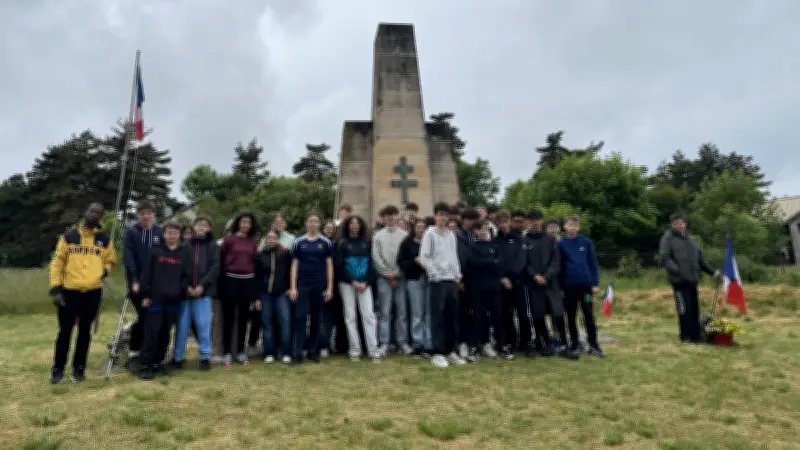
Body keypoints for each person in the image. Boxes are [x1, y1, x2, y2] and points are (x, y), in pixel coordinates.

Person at [48, 202, 116, 384]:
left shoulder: (105, 239)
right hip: (69, 292)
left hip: (92, 292)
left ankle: (79, 369)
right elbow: (57, 264)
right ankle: (58, 370)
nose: (94, 215)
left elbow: (110, 260)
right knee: (65, 332)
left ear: (101, 217)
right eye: (91, 211)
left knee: (85, 332)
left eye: (98, 213)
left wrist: (105, 270)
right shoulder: (69, 237)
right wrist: (55, 289)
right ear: (85, 212)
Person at [659, 212, 720, 343]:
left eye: (680, 223)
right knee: (684, 309)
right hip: (679, 281)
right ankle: (685, 337)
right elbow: (665, 258)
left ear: (685, 224)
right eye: (675, 224)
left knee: (694, 309)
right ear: (672, 225)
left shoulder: (692, 240)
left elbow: (701, 260)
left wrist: (714, 272)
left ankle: (696, 336)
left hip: (693, 280)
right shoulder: (667, 239)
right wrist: (677, 271)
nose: (678, 226)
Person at [137, 221, 186, 380]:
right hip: (154, 300)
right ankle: (146, 365)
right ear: (164, 234)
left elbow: (185, 277)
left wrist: (180, 292)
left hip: (173, 301)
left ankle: (158, 362)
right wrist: (146, 295)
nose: (172, 235)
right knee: (152, 333)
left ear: (179, 235)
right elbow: (145, 276)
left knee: (166, 333)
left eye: (175, 233)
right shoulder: (155, 252)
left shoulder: (183, 253)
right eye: (169, 232)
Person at [420, 202, 466, 368]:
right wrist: (435, 274)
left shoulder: (451, 235)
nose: (443, 218)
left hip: (452, 281)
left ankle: (450, 350)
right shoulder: (430, 234)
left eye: (446, 215)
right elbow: (424, 257)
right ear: (435, 216)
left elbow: (454, 257)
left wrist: (458, 275)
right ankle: (438, 353)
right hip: (437, 281)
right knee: (438, 317)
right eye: (440, 215)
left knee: (451, 316)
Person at [524, 209, 573, 359]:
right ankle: (545, 344)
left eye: (537, 219)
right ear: (528, 222)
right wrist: (534, 276)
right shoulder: (525, 240)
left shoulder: (551, 239)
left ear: (541, 221)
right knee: (538, 316)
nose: (534, 222)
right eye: (532, 219)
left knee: (558, 314)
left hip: (551, 284)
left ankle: (564, 344)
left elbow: (556, 261)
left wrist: (546, 276)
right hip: (534, 285)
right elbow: (524, 263)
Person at [172, 216, 218, 371]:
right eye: (199, 224)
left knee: (203, 326)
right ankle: (177, 357)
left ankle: (205, 357)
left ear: (209, 228)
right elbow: (179, 269)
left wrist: (202, 286)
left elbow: (215, 268)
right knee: (182, 327)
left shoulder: (213, 246)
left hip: (204, 293)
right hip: (185, 294)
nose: (201, 227)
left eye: (205, 225)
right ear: (194, 227)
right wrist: (186, 287)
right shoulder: (185, 246)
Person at [288, 213, 334, 363]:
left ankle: (313, 351)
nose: (313, 224)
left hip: (319, 284)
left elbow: (329, 265)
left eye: (316, 221)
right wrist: (293, 287)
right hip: (302, 285)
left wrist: (330, 288)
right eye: (310, 221)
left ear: (319, 224)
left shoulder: (325, 242)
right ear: (306, 223)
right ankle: (298, 352)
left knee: (316, 318)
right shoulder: (298, 242)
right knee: (300, 317)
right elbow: (294, 265)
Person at [465, 219, 512, 361]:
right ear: (475, 231)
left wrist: (488, 263)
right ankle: (474, 348)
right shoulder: (471, 247)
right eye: (480, 229)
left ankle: (503, 346)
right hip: (478, 288)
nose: (483, 232)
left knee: (498, 317)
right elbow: (473, 264)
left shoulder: (495, 246)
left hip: (494, 288)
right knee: (478, 318)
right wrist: (490, 261)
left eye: (485, 229)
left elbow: (500, 265)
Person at [335, 215, 381, 362]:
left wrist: (366, 282)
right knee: (350, 317)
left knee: (368, 316)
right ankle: (355, 350)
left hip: (365, 284)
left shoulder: (367, 242)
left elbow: (372, 264)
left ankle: (373, 350)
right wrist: (352, 281)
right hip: (347, 284)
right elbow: (339, 266)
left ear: (361, 226)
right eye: (352, 223)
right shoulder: (341, 243)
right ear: (348, 226)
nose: (355, 226)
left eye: (357, 224)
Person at [123, 200, 163, 366]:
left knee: (153, 318)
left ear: (154, 214)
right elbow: (128, 257)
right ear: (138, 214)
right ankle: (135, 348)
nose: (146, 216)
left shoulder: (160, 232)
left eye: (149, 213)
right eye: (142, 213)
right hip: (137, 284)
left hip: (156, 284)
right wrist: (134, 279)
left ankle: (152, 351)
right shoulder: (132, 232)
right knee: (144, 316)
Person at [559, 215, 604, 359]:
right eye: (570, 224)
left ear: (579, 227)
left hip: (586, 288)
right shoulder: (560, 244)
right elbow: (559, 267)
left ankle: (594, 344)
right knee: (571, 316)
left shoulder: (586, 242)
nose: (572, 227)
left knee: (589, 314)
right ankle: (574, 343)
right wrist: (560, 286)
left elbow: (593, 264)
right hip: (569, 287)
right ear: (565, 226)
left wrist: (595, 283)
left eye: (575, 225)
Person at [219, 212, 259, 367]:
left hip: (247, 282)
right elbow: (222, 261)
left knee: (243, 318)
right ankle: (227, 352)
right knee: (228, 318)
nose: (245, 225)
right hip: (230, 280)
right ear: (238, 223)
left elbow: (255, 263)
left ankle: (240, 351)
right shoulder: (229, 240)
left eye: (248, 222)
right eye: (243, 222)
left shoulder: (252, 241)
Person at [372, 205, 411, 355]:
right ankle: (384, 343)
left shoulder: (404, 235)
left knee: (402, 312)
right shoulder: (378, 236)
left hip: (401, 278)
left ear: (397, 217)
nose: (390, 218)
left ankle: (402, 342)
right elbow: (376, 258)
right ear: (383, 218)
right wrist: (388, 274)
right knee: (385, 312)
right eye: (386, 215)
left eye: (392, 215)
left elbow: (406, 257)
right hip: (384, 279)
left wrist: (398, 274)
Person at [254, 229, 293, 364]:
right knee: (267, 323)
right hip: (265, 294)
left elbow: (291, 271)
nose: (271, 240)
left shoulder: (285, 253)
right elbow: (257, 277)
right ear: (265, 240)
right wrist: (257, 297)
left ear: (278, 239)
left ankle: (286, 352)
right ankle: (269, 352)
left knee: (285, 321)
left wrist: (291, 287)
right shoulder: (260, 255)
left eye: (274, 238)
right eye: (268, 238)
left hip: (282, 293)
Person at [495, 210, 531, 358]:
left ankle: (527, 342)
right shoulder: (495, 240)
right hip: (502, 284)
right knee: (506, 315)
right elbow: (495, 262)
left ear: (509, 222)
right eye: (500, 222)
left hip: (518, 282)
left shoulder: (518, 239)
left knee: (523, 313)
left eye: (505, 221)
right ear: (497, 223)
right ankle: (510, 342)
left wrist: (510, 276)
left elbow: (521, 261)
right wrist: (502, 278)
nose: (503, 225)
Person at [397, 219, 432, 357]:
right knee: (417, 313)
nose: (421, 229)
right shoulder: (407, 243)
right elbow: (401, 261)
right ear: (414, 229)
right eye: (418, 227)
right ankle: (418, 342)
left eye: (423, 227)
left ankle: (429, 343)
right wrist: (414, 261)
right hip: (414, 279)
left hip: (430, 278)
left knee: (428, 312)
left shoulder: (430, 241)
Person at [456, 208, 478, 357]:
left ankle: (475, 342)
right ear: (463, 220)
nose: (471, 222)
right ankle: (462, 342)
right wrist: (460, 279)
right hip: (463, 279)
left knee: (476, 312)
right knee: (462, 312)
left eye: (473, 219)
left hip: (478, 280)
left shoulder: (478, 234)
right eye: (468, 219)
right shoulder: (458, 236)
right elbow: (460, 258)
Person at [319, 219, 339, 356]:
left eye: (332, 228)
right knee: (323, 316)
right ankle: (323, 345)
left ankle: (333, 343)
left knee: (334, 317)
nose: (330, 230)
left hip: (337, 284)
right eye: (327, 227)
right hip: (322, 283)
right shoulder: (319, 243)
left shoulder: (338, 243)